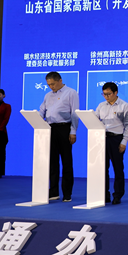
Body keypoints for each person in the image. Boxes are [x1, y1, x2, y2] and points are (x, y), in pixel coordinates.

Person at [37, 72, 79, 201]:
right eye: (49, 84)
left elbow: (75, 113)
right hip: (50, 129)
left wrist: (73, 131)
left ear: (60, 80)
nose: (51, 86)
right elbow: (42, 111)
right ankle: (53, 191)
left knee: (66, 161)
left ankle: (67, 193)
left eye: (53, 84)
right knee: (52, 162)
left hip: (64, 128)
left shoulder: (71, 93)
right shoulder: (47, 95)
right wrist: (37, 119)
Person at [95, 82, 128, 204]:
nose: (106, 96)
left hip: (117, 139)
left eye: (108, 94)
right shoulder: (101, 106)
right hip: (102, 139)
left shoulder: (124, 106)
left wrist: (124, 142)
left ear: (115, 93)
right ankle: (104, 194)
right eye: (104, 94)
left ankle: (117, 195)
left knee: (118, 168)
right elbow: (95, 121)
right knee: (102, 168)